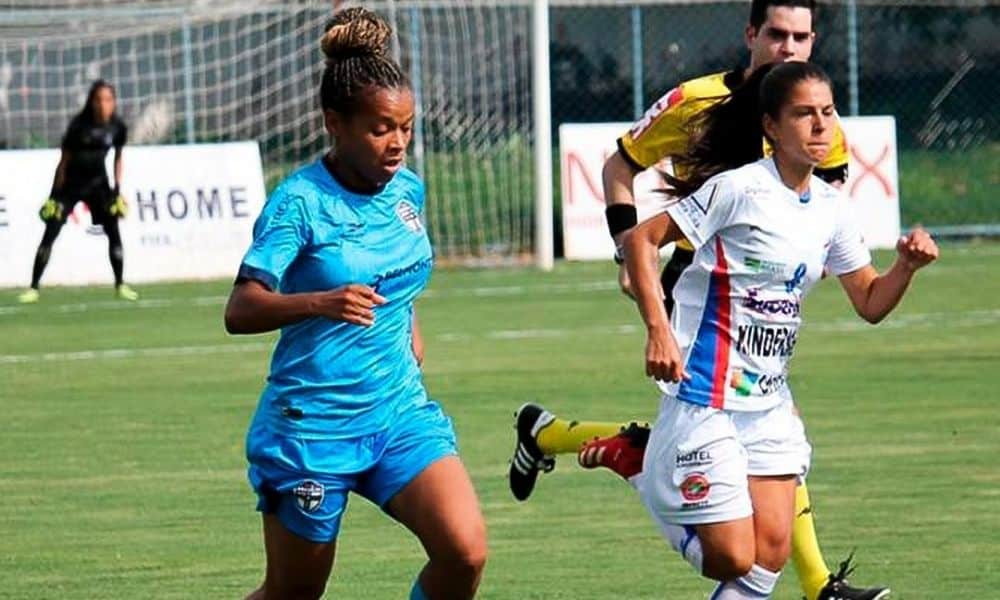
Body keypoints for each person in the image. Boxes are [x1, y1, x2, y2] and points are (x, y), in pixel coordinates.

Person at [507, 2, 888, 598]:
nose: (788, 48)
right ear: (750, 35)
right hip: (699, 299)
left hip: (768, 307)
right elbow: (619, 166)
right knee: (732, 454)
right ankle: (816, 584)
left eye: (801, 37)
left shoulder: (816, 122)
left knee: (772, 435)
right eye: (776, 34)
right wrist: (626, 255)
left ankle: (551, 433)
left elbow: (816, 217)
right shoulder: (698, 102)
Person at [623, 60, 937, 599]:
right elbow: (639, 240)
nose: (821, 126)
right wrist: (659, 329)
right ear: (771, 126)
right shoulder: (739, 189)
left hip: (767, 404)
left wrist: (905, 267)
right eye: (804, 114)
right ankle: (634, 462)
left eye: (828, 112)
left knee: (766, 560)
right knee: (731, 556)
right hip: (706, 397)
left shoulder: (833, 210)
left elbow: (869, 301)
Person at [224, 9, 486, 600]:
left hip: (397, 412)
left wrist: (409, 325)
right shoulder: (298, 204)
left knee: (464, 552)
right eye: (380, 129)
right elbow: (240, 309)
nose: (396, 144)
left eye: (406, 127)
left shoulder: (408, 188)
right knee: (292, 595)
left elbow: (398, 275)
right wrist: (319, 301)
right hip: (312, 426)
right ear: (334, 124)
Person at [18, 79, 138, 303]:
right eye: (100, 100)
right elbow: (63, 162)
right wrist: (54, 195)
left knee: (113, 229)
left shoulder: (117, 127)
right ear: (92, 102)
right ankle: (33, 287)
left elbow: (118, 159)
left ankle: (120, 284)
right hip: (71, 186)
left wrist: (117, 190)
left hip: (99, 185)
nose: (104, 105)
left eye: (109, 100)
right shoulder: (79, 126)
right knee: (51, 232)